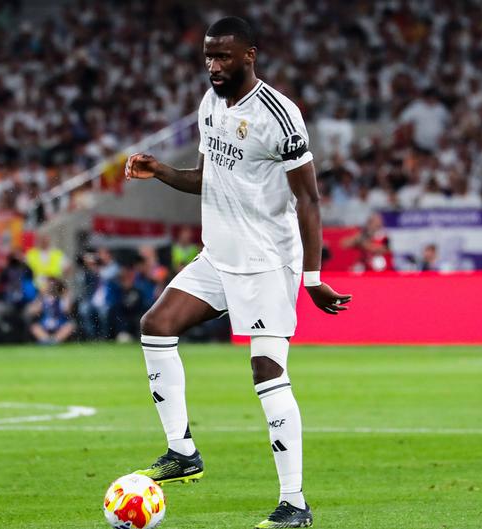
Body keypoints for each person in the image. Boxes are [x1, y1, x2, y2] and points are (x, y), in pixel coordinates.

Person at [123, 17, 351, 529]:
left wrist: (312, 278)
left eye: (223, 56)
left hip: (267, 263)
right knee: (156, 326)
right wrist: (161, 171)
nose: (214, 66)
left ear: (250, 55)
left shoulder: (279, 115)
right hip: (219, 257)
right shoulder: (210, 104)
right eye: (209, 56)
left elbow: (309, 199)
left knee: (267, 372)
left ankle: (294, 503)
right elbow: (207, 178)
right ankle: (182, 452)